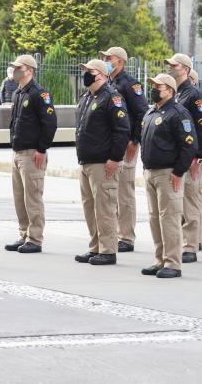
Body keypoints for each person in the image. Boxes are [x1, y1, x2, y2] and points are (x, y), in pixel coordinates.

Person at [73, 60, 130, 266]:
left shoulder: (112, 98)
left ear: (102, 75)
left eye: (90, 71)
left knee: (104, 206)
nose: (86, 74)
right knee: (90, 207)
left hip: (102, 163)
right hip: (87, 160)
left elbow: (122, 130)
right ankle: (95, 246)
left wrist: (115, 158)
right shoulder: (87, 97)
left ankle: (108, 250)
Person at [140, 73, 197, 279]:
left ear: (170, 91)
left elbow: (189, 144)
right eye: (153, 85)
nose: (154, 89)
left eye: (158, 86)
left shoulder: (178, 113)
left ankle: (173, 262)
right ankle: (160, 259)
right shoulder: (151, 113)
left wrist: (178, 171)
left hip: (168, 173)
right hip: (151, 172)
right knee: (155, 219)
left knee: (170, 218)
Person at [4, 54, 57, 253]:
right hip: (18, 151)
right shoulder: (18, 93)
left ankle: (35, 238)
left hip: (32, 152)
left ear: (30, 70)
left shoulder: (39, 93)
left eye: (20, 67)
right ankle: (24, 233)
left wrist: (42, 149)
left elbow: (50, 123)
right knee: (19, 197)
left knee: (32, 197)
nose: (15, 70)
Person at [165, 53, 202, 263]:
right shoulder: (175, 94)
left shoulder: (194, 95)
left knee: (190, 201)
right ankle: (182, 242)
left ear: (184, 69)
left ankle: (191, 246)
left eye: (173, 66)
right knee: (178, 203)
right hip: (176, 157)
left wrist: (199, 157)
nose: (170, 69)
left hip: (191, 157)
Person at [101, 47, 149, 254]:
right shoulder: (109, 83)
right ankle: (114, 233)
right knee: (111, 191)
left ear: (120, 61)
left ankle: (126, 237)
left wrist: (135, 140)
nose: (105, 60)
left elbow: (142, 113)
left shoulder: (130, 84)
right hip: (111, 144)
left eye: (108, 58)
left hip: (126, 143)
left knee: (124, 191)